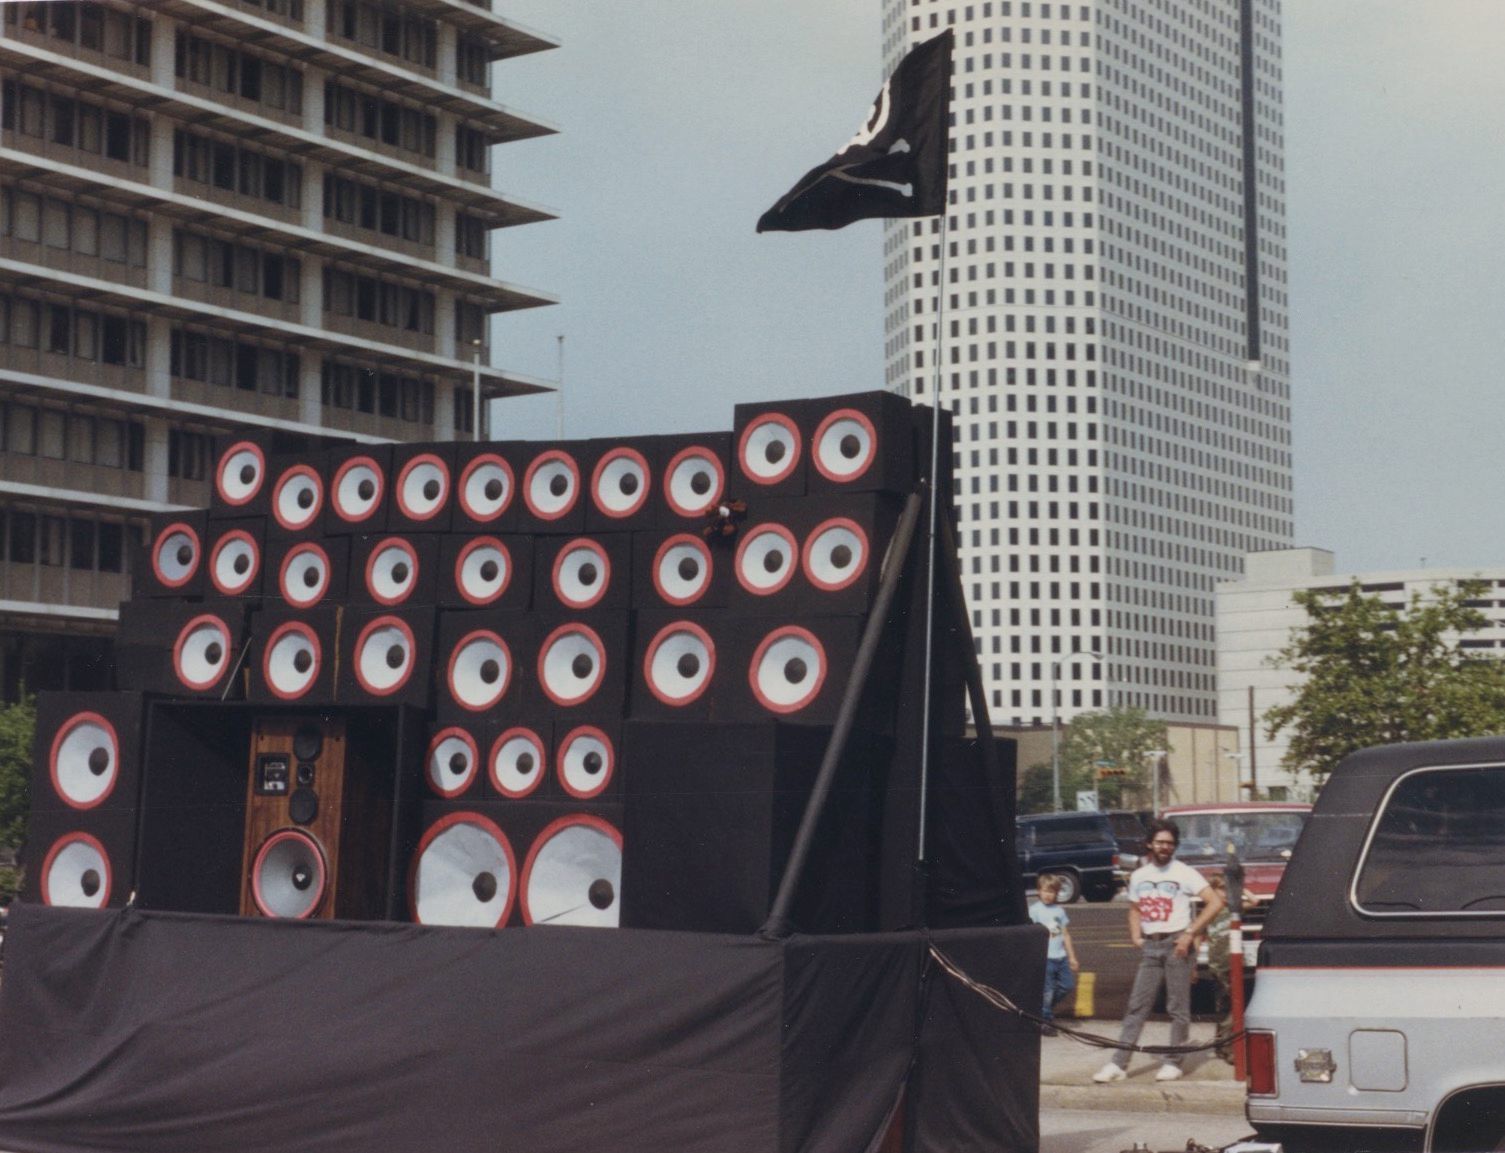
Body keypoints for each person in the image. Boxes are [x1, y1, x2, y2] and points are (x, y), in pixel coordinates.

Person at [1093, 818, 1224, 1083]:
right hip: (1151, 946)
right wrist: (1135, 936)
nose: (1165, 847)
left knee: (1177, 1007)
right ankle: (1119, 1063)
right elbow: (1134, 909)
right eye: (1160, 842)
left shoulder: (1184, 872)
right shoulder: (1140, 875)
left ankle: (1174, 1062)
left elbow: (1214, 902)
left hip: (1178, 945)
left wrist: (1190, 933)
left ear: (1175, 846)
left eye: (1170, 843)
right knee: (1137, 1006)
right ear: (1150, 844)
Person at [1029, 874, 1080, 1036]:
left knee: (1067, 985)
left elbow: (1065, 935)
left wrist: (1072, 957)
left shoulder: (1059, 911)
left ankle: (1042, 1009)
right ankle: (1045, 1022)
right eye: (1045, 891)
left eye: (1051, 892)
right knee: (1048, 991)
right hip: (1046, 958)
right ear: (1039, 891)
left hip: (1061, 957)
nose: (1048, 895)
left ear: (1057, 893)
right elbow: (1030, 935)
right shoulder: (1034, 910)